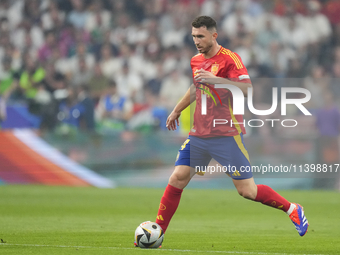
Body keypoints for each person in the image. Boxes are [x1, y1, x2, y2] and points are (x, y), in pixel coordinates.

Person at [136, 16, 309, 246]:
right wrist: (176, 110)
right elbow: (196, 87)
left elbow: (247, 89)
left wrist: (216, 80)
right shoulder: (196, 60)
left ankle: (292, 209)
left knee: (247, 191)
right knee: (177, 178)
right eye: (194, 36)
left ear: (214, 35)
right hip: (199, 134)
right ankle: (158, 232)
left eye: (201, 36)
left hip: (226, 134)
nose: (196, 41)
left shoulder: (230, 59)